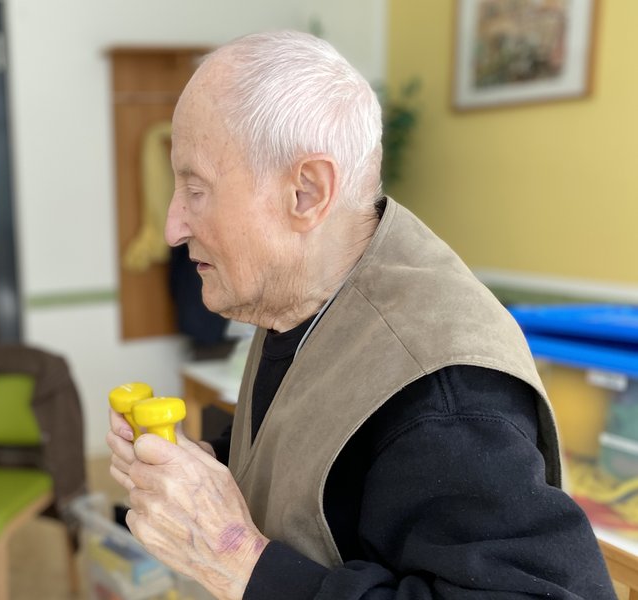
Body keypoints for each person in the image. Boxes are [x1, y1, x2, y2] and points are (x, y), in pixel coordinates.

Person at [107, 31, 615, 599]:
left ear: (305, 193)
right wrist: (206, 476)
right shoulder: (301, 298)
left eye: (195, 188)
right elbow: (321, 470)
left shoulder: (445, 393)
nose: (173, 226)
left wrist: (238, 559)